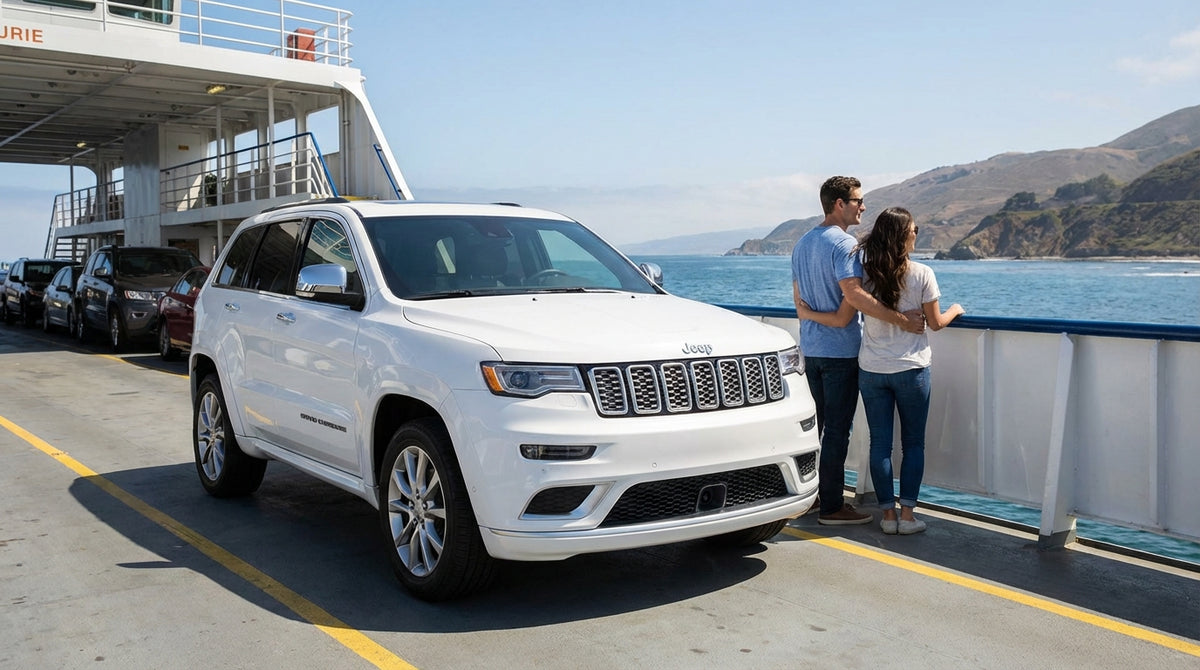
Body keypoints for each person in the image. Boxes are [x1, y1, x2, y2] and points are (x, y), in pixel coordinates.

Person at [798, 207, 963, 534]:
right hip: (911, 369)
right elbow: (935, 323)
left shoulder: (866, 276)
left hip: (872, 370)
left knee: (880, 444)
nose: (917, 234)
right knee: (914, 444)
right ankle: (909, 516)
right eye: (914, 230)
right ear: (904, 236)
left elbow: (851, 306)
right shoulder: (922, 274)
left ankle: (888, 517)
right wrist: (956, 310)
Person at [791, 177, 925, 526]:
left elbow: (798, 301)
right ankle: (832, 506)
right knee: (836, 431)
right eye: (857, 201)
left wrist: (810, 316)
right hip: (840, 353)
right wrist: (901, 320)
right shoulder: (844, 244)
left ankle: (813, 496)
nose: (863, 206)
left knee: (815, 429)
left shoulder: (802, 244)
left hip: (811, 349)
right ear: (839, 204)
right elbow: (853, 296)